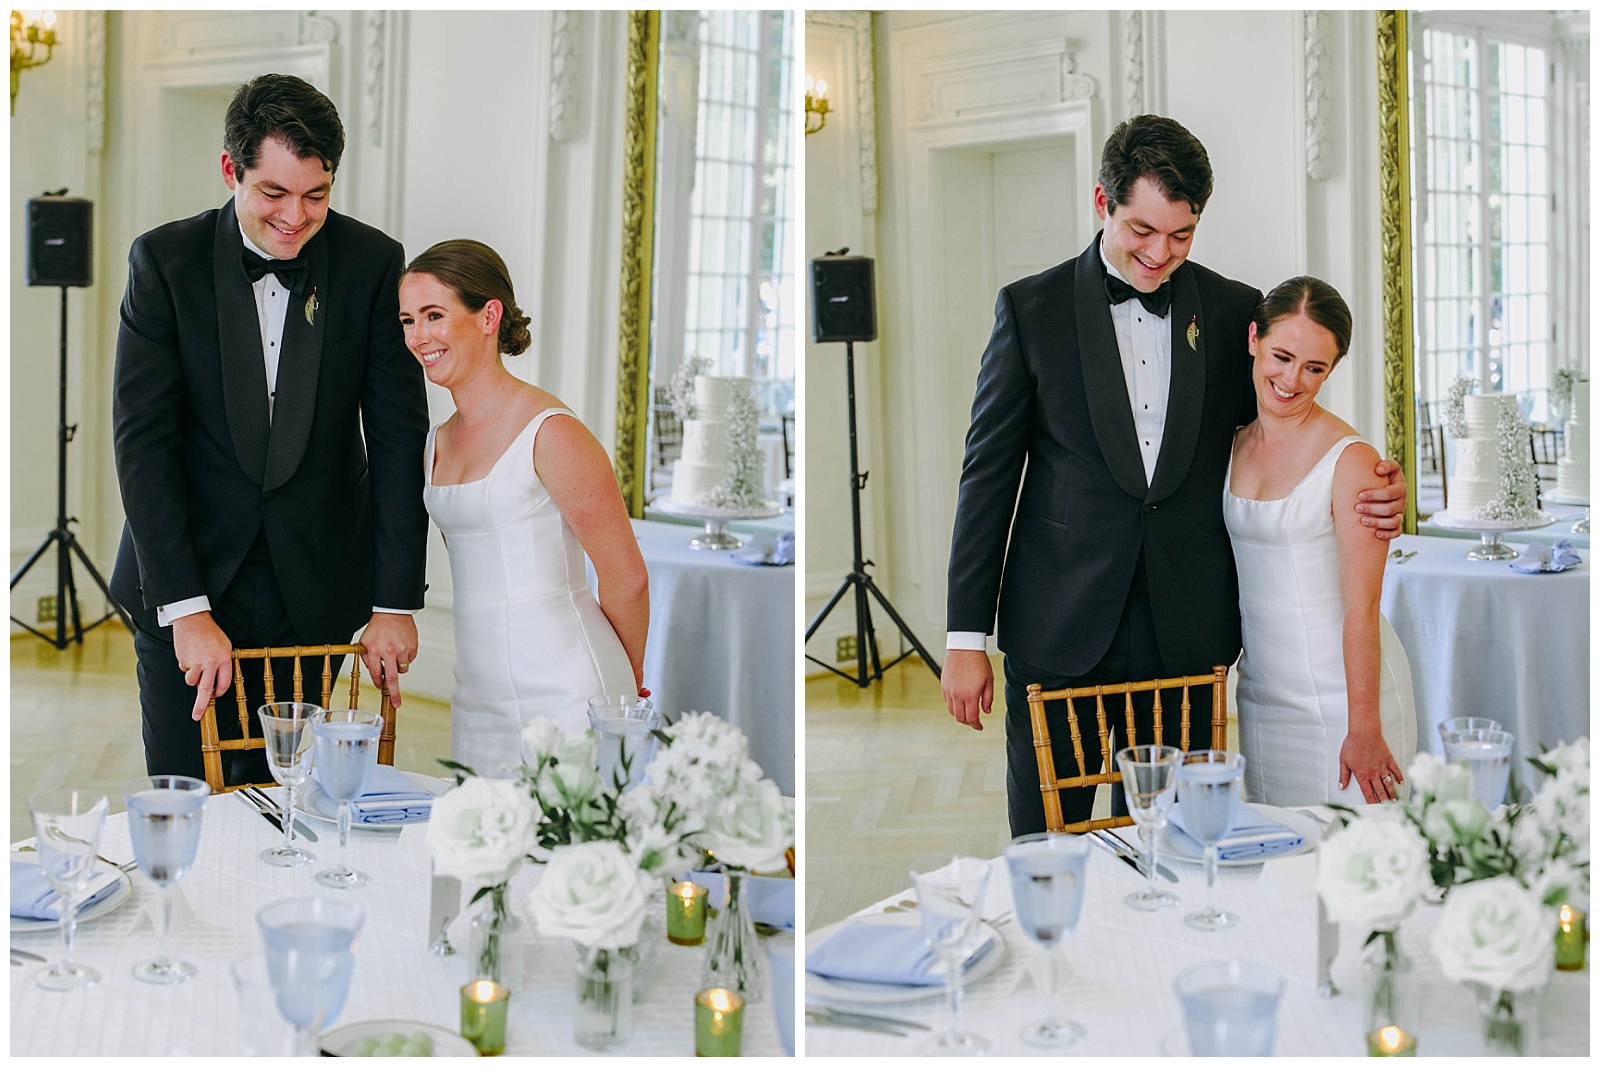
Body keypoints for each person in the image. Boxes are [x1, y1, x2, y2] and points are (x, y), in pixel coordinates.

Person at [942, 115, 1408, 836]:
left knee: (1178, 847)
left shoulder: (1230, 312)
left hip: (1185, 635)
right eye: (1142, 231)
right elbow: (987, 479)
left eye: (1182, 234)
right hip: (1059, 628)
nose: (1161, 254)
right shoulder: (1029, 310)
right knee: (1045, 846)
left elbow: (1282, 422)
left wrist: (1369, 483)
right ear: (1103, 204)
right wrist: (965, 637)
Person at [112, 73, 429, 784]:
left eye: (317, 194)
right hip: (185, 580)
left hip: (315, 585)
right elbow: (144, 443)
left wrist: (394, 600)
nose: (296, 216)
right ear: (231, 169)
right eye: (274, 193)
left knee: (291, 802)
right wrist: (186, 610)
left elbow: (400, 437)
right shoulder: (164, 263)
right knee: (188, 794)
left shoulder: (372, 265)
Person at [398, 239, 648, 773]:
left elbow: (626, 578)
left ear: (489, 316)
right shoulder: (434, 443)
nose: (419, 337)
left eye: (434, 316)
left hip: (571, 691)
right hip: (476, 699)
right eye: (408, 321)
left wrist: (624, 693)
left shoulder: (552, 433)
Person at [1227, 277, 1415, 804]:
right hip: (1263, 699)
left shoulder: (1355, 462)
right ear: (1253, 340)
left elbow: (1364, 605)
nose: (1292, 380)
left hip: (1347, 703)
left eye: (1315, 368)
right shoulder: (1231, 444)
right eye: (1282, 356)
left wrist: (1364, 728)